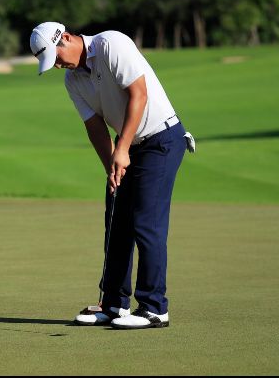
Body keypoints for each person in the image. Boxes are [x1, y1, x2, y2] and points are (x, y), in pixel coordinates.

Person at [29, 21, 194, 330]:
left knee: (145, 222)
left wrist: (123, 149)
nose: (57, 65)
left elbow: (139, 96)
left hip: (161, 140)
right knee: (117, 221)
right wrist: (112, 168)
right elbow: (94, 126)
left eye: (56, 57)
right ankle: (114, 304)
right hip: (129, 146)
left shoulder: (111, 44)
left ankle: (154, 307)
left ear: (65, 37)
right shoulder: (72, 81)